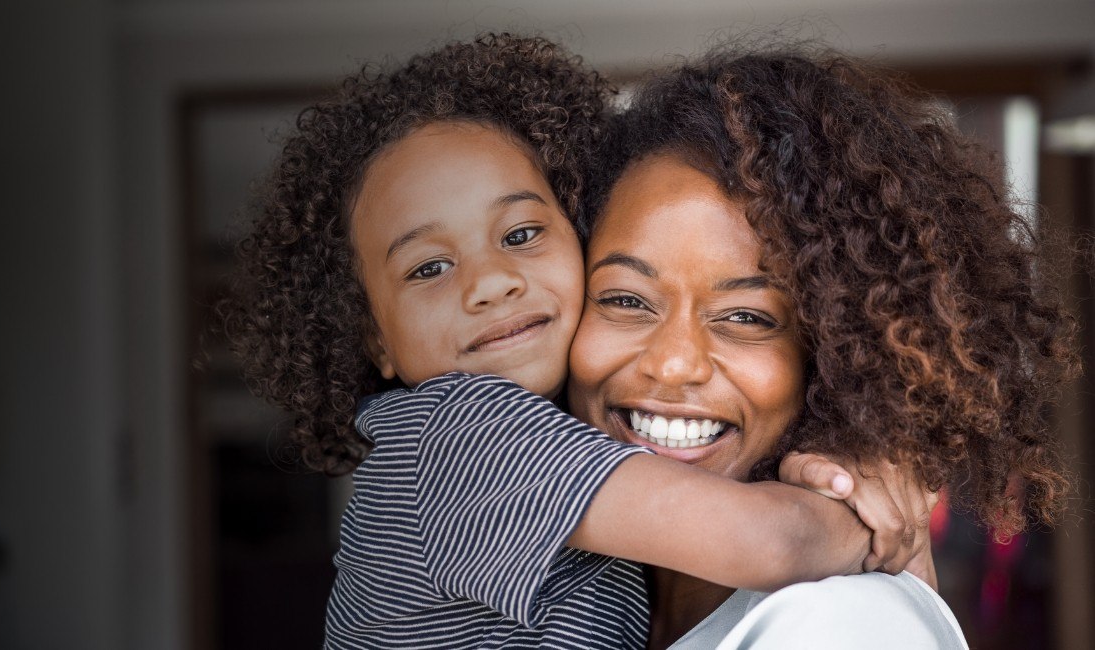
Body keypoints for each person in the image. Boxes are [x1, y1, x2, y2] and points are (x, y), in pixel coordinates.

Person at [220, 34, 933, 648]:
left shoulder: (569, 461)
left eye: (523, 235)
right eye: (428, 268)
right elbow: (770, 542)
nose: (491, 283)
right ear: (374, 339)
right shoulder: (457, 434)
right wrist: (870, 521)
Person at [569, 44, 1080, 648]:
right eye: (626, 301)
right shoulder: (559, 591)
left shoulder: (841, 623)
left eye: (746, 316)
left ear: (838, 359)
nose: (675, 363)